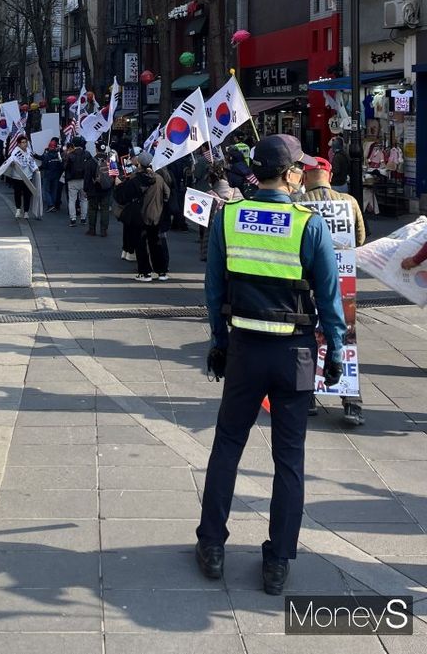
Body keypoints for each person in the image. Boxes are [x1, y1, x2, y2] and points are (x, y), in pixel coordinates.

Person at [196, 134, 346, 595]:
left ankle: (212, 545)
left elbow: (214, 291)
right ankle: (278, 561)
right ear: (289, 174)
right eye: (298, 166)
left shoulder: (228, 217)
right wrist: (336, 351)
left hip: (245, 349)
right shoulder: (309, 225)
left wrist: (219, 342)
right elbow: (329, 296)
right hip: (294, 354)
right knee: (289, 458)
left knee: (227, 445)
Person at [300, 156, 366, 427]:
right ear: (329, 175)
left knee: (306, 335)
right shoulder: (349, 202)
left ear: (305, 177)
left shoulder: (298, 203)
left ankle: (308, 396)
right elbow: (359, 238)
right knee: (345, 336)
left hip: (306, 281)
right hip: (342, 279)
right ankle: (351, 402)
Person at [114, 151, 170, 281]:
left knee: (141, 245)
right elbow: (167, 195)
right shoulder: (159, 178)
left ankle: (145, 273)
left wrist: (119, 185)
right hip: (156, 216)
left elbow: (123, 196)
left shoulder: (136, 178)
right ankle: (161, 272)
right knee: (156, 243)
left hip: (140, 216)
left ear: (139, 164)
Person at [84, 142, 114, 236]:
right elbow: (114, 175)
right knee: (105, 209)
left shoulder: (90, 162)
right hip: (106, 189)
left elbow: (87, 177)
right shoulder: (110, 161)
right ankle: (104, 230)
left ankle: (92, 229)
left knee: (92, 209)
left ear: (96, 149)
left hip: (93, 189)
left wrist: (86, 189)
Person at [64, 136, 90, 225]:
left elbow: (65, 167)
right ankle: (83, 218)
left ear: (73, 144)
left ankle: (73, 219)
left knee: (72, 200)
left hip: (72, 179)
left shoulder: (70, 155)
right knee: (84, 199)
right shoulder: (87, 154)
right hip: (84, 179)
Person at [41, 138, 64, 211]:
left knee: (46, 190)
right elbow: (61, 165)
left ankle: (50, 205)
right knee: (54, 190)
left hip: (47, 175)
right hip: (56, 175)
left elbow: (44, 165)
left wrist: (38, 168)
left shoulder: (47, 155)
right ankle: (53, 205)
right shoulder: (59, 155)